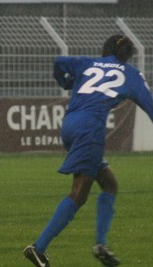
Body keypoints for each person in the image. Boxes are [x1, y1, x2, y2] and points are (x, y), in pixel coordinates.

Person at [23, 35, 153, 267]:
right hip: (90, 129)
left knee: (109, 183)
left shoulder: (87, 63)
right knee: (79, 193)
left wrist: (64, 82)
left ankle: (101, 245)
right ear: (128, 53)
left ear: (106, 49)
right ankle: (38, 248)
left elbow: (59, 62)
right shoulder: (131, 75)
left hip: (70, 124)